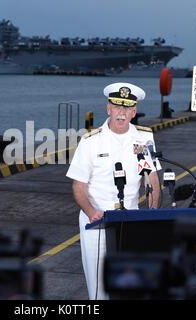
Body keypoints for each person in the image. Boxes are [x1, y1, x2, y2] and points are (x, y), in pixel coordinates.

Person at [66, 82, 161, 300]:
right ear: (108, 108)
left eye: (127, 108)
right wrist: (91, 211)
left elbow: (152, 179)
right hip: (97, 220)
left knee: (130, 287)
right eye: (117, 107)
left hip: (131, 221)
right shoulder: (91, 142)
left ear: (134, 112)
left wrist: (152, 214)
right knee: (99, 289)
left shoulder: (144, 139)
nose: (121, 112)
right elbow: (78, 186)